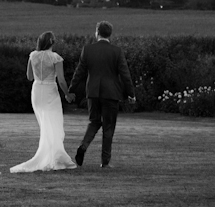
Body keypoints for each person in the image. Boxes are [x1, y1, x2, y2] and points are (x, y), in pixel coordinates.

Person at [66, 20, 136, 168]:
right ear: (110, 34)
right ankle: (105, 162)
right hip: (111, 93)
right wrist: (131, 93)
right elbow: (125, 74)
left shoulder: (88, 49)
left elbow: (79, 72)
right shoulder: (116, 51)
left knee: (94, 122)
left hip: (93, 92)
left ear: (97, 32)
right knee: (108, 127)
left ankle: (83, 146)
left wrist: (71, 89)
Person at [10, 31, 77, 173]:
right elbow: (61, 80)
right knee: (54, 124)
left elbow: (29, 77)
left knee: (45, 126)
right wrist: (67, 94)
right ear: (52, 42)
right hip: (49, 92)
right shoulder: (55, 58)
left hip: (36, 91)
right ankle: (55, 157)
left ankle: (52, 156)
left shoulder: (32, 55)